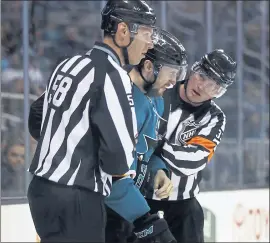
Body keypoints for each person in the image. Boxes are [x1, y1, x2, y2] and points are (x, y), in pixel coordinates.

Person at [27, 0, 156, 242]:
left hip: (40, 191)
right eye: (147, 33)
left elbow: (36, 118)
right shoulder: (113, 75)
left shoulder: (68, 65)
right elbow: (117, 158)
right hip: (77, 198)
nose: (150, 44)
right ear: (123, 31)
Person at [142, 49, 237, 242]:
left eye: (213, 86)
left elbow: (192, 160)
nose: (202, 87)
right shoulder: (160, 91)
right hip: (141, 197)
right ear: (193, 70)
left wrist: (153, 147)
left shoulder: (215, 117)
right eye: (202, 77)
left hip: (183, 207)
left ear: (219, 93)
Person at [104, 29, 188, 243]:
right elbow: (111, 168)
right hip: (106, 209)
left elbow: (145, 151)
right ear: (149, 67)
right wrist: (145, 219)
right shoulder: (119, 96)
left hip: (131, 208)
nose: (174, 81)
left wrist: (158, 170)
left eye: (178, 75)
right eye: (171, 73)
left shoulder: (157, 100)